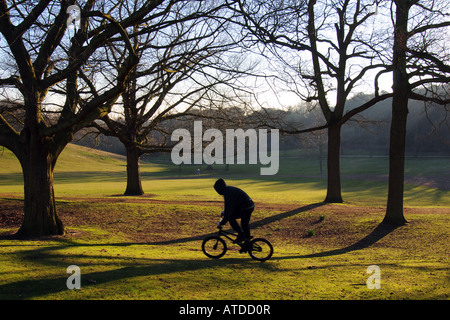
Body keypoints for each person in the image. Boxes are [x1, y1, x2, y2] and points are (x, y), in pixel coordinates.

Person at [214, 178, 254, 243]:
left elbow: (229, 209)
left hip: (246, 207)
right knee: (244, 224)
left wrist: (223, 222)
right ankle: (247, 241)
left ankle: (242, 236)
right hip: (247, 206)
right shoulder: (228, 190)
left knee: (237, 220)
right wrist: (225, 213)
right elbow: (229, 207)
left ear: (220, 188)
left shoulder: (228, 193)